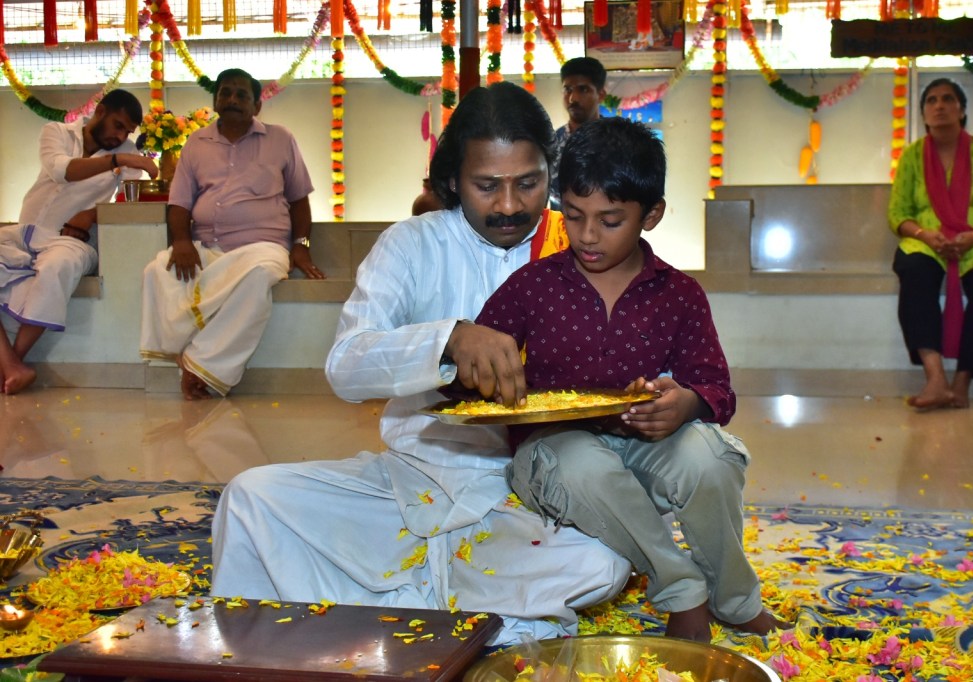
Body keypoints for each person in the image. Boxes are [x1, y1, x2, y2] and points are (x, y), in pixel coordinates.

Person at [210, 82, 631, 647]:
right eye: (487, 186)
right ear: (453, 179)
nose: (509, 205)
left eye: (528, 183)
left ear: (549, 174)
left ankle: (390, 607)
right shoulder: (410, 244)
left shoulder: (580, 246)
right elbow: (346, 365)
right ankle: (462, 612)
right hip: (410, 481)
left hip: (526, 496)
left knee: (603, 562)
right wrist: (446, 341)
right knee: (251, 499)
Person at [475, 117, 787, 643]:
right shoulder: (533, 286)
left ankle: (735, 599)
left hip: (640, 442)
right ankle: (681, 589)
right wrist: (470, 359)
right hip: (553, 451)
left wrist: (686, 404)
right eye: (574, 216)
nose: (587, 235)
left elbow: (715, 388)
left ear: (652, 215)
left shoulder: (679, 294)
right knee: (583, 463)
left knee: (711, 458)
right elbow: (469, 371)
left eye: (610, 220)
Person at [139, 68, 324, 400]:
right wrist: (181, 241)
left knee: (258, 277)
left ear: (257, 106)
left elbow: (299, 199)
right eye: (225, 93)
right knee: (157, 271)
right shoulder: (196, 142)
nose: (232, 99)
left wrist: (301, 245)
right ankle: (194, 357)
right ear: (215, 101)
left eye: (242, 95)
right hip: (207, 245)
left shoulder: (280, 139)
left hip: (262, 246)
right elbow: (179, 203)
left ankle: (199, 364)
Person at [0, 89, 157, 395]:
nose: (121, 136)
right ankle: (11, 366)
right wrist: (118, 159)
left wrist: (92, 213)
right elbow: (62, 171)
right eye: (118, 125)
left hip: (72, 241)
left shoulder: (127, 152)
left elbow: (129, 202)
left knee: (58, 266)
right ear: (100, 111)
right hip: (24, 233)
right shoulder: (57, 132)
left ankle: (15, 360)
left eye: (127, 131)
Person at [888, 77, 973, 410]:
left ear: (962, 110)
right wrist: (924, 235)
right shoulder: (912, 156)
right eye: (931, 100)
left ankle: (961, 383)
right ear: (924, 113)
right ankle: (935, 378)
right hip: (926, 240)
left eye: (948, 99)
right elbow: (898, 214)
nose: (940, 106)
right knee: (913, 269)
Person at [549, 56, 607, 211]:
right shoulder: (550, 144)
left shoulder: (618, 141)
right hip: (561, 224)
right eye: (568, 90)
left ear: (601, 95)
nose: (573, 98)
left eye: (583, 89)